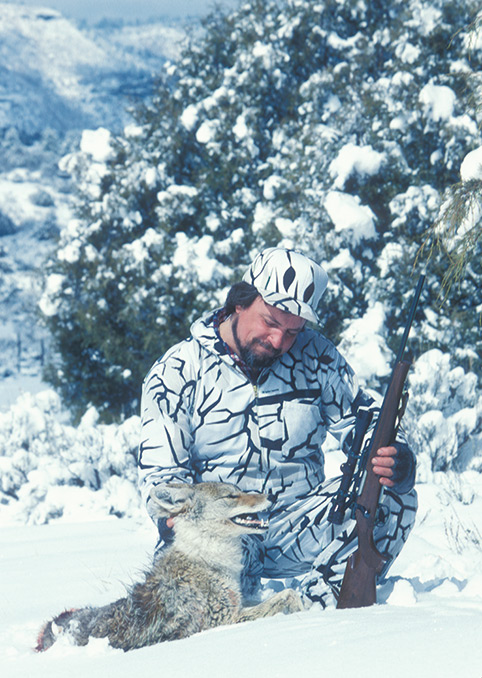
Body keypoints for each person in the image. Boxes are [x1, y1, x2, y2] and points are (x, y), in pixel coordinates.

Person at [138, 247, 417, 607]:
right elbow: (162, 479)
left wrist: (396, 460)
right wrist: (175, 522)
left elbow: (364, 422)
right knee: (191, 592)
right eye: (270, 322)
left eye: (293, 331)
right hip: (226, 529)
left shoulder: (317, 355)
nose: (279, 341)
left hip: (302, 524)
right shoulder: (177, 370)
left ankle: (321, 610)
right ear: (239, 302)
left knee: (395, 495)